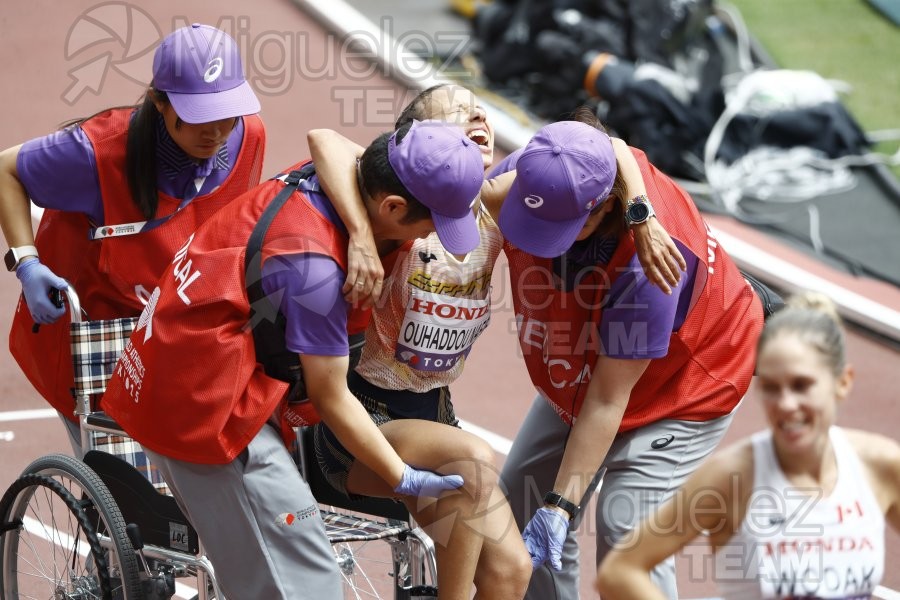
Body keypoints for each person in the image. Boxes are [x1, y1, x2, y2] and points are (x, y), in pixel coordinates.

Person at [305, 84, 687, 599]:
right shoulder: (397, 208)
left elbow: (601, 147)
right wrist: (359, 236)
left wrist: (640, 210)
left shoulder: (499, 205)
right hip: (358, 426)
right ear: (416, 144)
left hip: (434, 418)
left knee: (511, 571)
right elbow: (324, 139)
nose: (476, 115)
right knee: (476, 463)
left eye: (477, 108)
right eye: (456, 114)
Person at [100, 119, 484, 599]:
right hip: (203, 406)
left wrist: (363, 235)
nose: (433, 237)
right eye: (432, 224)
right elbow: (332, 397)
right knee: (303, 582)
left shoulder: (338, 180)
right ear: (392, 207)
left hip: (188, 354)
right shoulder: (315, 273)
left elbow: (328, 141)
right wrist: (401, 476)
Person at [0, 23, 381, 451]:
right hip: (94, 329)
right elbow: (6, 170)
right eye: (201, 117)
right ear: (160, 102)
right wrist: (26, 263)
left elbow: (228, 235)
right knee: (120, 484)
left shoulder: (247, 136)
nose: (217, 133)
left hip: (173, 326)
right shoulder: (96, 152)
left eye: (227, 114)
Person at [493, 110, 764, 599]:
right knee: (519, 503)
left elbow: (605, 400)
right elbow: (608, 142)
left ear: (602, 207)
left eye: (555, 228)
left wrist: (561, 505)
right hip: (592, 358)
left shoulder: (650, 272)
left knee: (624, 526)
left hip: (690, 379)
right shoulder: (549, 167)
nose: (533, 237)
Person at [596, 291, 900, 599]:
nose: (785, 405)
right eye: (770, 387)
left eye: (801, 385)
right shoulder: (732, 477)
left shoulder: (880, 465)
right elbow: (620, 571)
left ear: (843, 381)